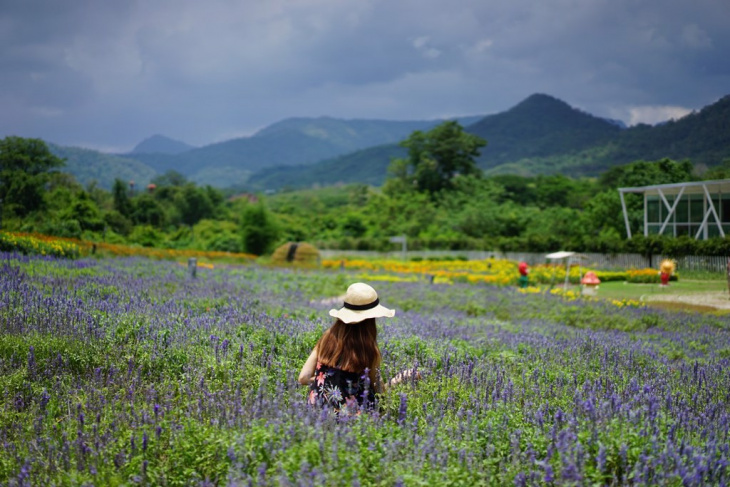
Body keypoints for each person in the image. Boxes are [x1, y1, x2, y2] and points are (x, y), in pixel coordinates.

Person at [298, 282, 416, 415]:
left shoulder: (326, 338)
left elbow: (303, 378)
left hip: (315, 415)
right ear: (370, 320)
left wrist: (329, 379)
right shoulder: (369, 351)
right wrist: (400, 378)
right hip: (352, 423)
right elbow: (380, 392)